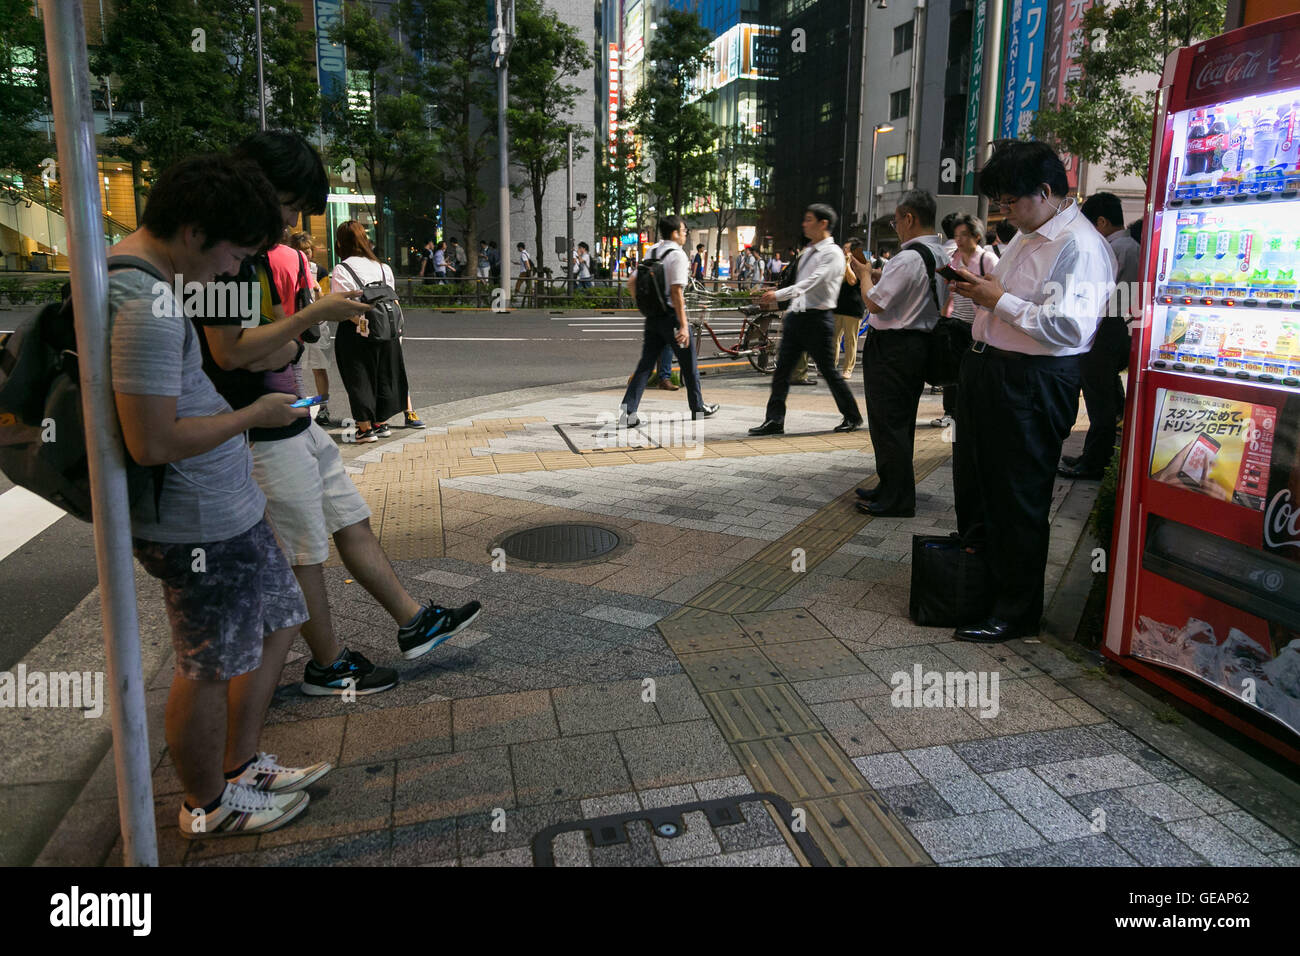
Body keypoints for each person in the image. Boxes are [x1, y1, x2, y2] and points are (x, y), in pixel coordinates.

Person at [110, 153, 334, 837]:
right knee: (209, 661)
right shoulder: (147, 305)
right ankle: (207, 804)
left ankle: (238, 769)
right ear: (194, 230)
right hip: (193, 519)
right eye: (235, 253)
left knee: (275, 616)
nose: (235, 271)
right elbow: (152, 441)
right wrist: (252, 418)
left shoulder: (142, 278)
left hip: (221, 506)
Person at [214, 134, 483, 693]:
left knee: (348, 516)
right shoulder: (228, 260)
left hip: (291, 417)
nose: (290, 220)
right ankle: (327, 665)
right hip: (260, 425)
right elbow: (232, 350)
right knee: (305, 554)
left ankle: (412, 621)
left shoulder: (253, 257)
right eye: (289, 205)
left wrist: (290, 339)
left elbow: (265, 343)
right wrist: (311, 317)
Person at [948, 139, 1116, 643]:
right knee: (977, 485)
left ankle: (1016, 612)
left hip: (1031, 381)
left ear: (1045, 192)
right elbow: (1005, 297)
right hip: (989, 369)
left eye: (1009, 201)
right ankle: (979, 588)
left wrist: (998, 301)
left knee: (1018, 497)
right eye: (997, 202)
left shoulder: (1078, 246)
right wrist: (980, 293)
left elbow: (1069, 329)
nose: (1004, 212)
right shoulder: (1029, 233)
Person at [854, 190, 947, 517]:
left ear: (909, 218)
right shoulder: (938, 253)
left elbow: (875, 302)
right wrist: (881, 276)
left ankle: (897, 498)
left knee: (888, 422)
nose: (895, 227)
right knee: (899, 421)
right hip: (917, 345)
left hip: (893, 348)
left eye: (896, 220)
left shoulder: (908, 257)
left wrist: (866, 276)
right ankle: (891, 486)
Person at [749, 204, 863, 437]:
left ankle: (852, 415)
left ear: (823, 224)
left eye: (809, 219)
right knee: (782, 371)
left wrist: (778, 295)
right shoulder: (809, 251)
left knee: (829, 371)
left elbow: (814, 281)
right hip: (797, 317)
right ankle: (774, 420)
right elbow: (800, 282)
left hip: (817, 319)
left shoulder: (832, 254)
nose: (804, 223)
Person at [1062, 191, 1140, 480]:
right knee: (1099, 400)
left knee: (1100, 403)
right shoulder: (1120, 246)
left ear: (1102, 221)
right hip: (1107, 328)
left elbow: (1116, 299)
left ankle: (1094, 464)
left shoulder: (1119, 248)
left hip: (1107, 329)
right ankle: (1091, 457)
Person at [620, 215, 719, 425]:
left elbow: (631, 282)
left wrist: (645, 305)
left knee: (645, 365)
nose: (685, 234)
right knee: (689, 362)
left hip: (653, 317)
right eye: (683, 231)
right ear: (674, 233)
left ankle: (628, 413)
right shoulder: (678, 255)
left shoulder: (652, 250)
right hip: (672, 317)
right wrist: (683, 324)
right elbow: (676, 292)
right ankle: (697, 407)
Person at [331, 221, 409, 442]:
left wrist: (360, 323)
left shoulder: (342, 268)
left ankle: (365, 429)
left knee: (359, 377)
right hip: (386, 329)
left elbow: (343, 305)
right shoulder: (383, 267)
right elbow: (392, 298)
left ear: (341, 243)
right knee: (384, 374)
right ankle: (381, 423)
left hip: (356, 330)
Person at [932, 214, 998, 428]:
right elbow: (951, 293)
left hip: (979, 327)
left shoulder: (987, 259)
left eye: (963, 235)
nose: (958, 240)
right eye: (956, 235)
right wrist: (944, 314)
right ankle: (950, 413)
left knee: (973, 374)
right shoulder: (955, 259)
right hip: (957, 322)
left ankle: (971, 414)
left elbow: (996, 291)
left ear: (977, 236)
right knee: (953, 369)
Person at [289, 231, 336, 427]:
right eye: (301, 251)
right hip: (296, 326)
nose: (305, 255)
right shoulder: (289, 268)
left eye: (308, 250)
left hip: (317, 327)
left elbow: (326, 302)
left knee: (319, 369)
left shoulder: (321, 271)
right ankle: (298, 407)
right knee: (294, 370)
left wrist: (317, 290)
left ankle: (323, 408)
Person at [833, 238, 870, 379]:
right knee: (833, 338)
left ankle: (847, 369)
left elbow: (852, 280)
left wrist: (847, 264)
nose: (844, 251)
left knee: (850, 340)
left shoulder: (863, 265)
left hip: (853, 307)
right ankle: (831, 365)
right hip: (838, 306)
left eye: (847, 249)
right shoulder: (840, 263)